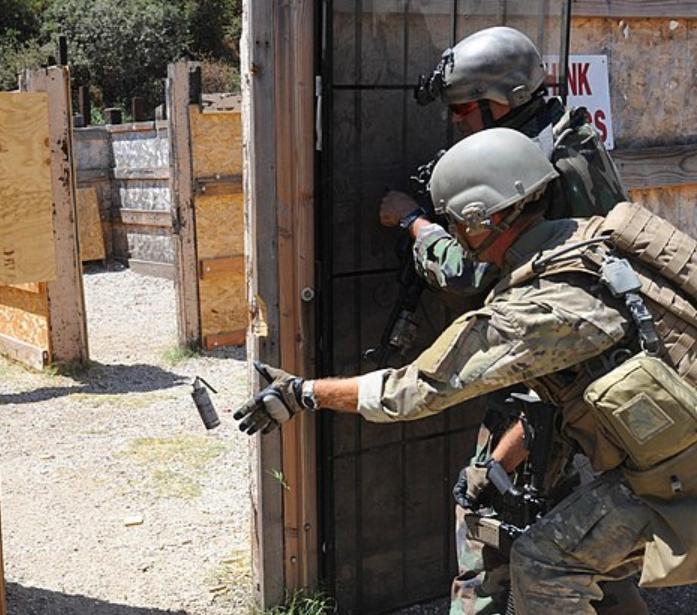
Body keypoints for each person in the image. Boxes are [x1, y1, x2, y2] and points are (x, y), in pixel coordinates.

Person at [235, 128, 697, 615]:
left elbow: (412, 391)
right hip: (677, 447)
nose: (453, 233)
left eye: (456, 222)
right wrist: (498, 461)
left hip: (679, 476)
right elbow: (570, 394)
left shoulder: (533, 312)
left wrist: (303, 392)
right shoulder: (595, 240)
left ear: (486, 219)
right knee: (588, 553)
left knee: (545, 562)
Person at [379, 26, 639, 614]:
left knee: (486, 512)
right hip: (593, 365)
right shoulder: (568, 134)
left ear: (502, 101)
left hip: (542, 371)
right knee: (573, 520)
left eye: (464, 109)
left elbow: (475, 279)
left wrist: (416, 225)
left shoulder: (527, 165)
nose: (455, 122)